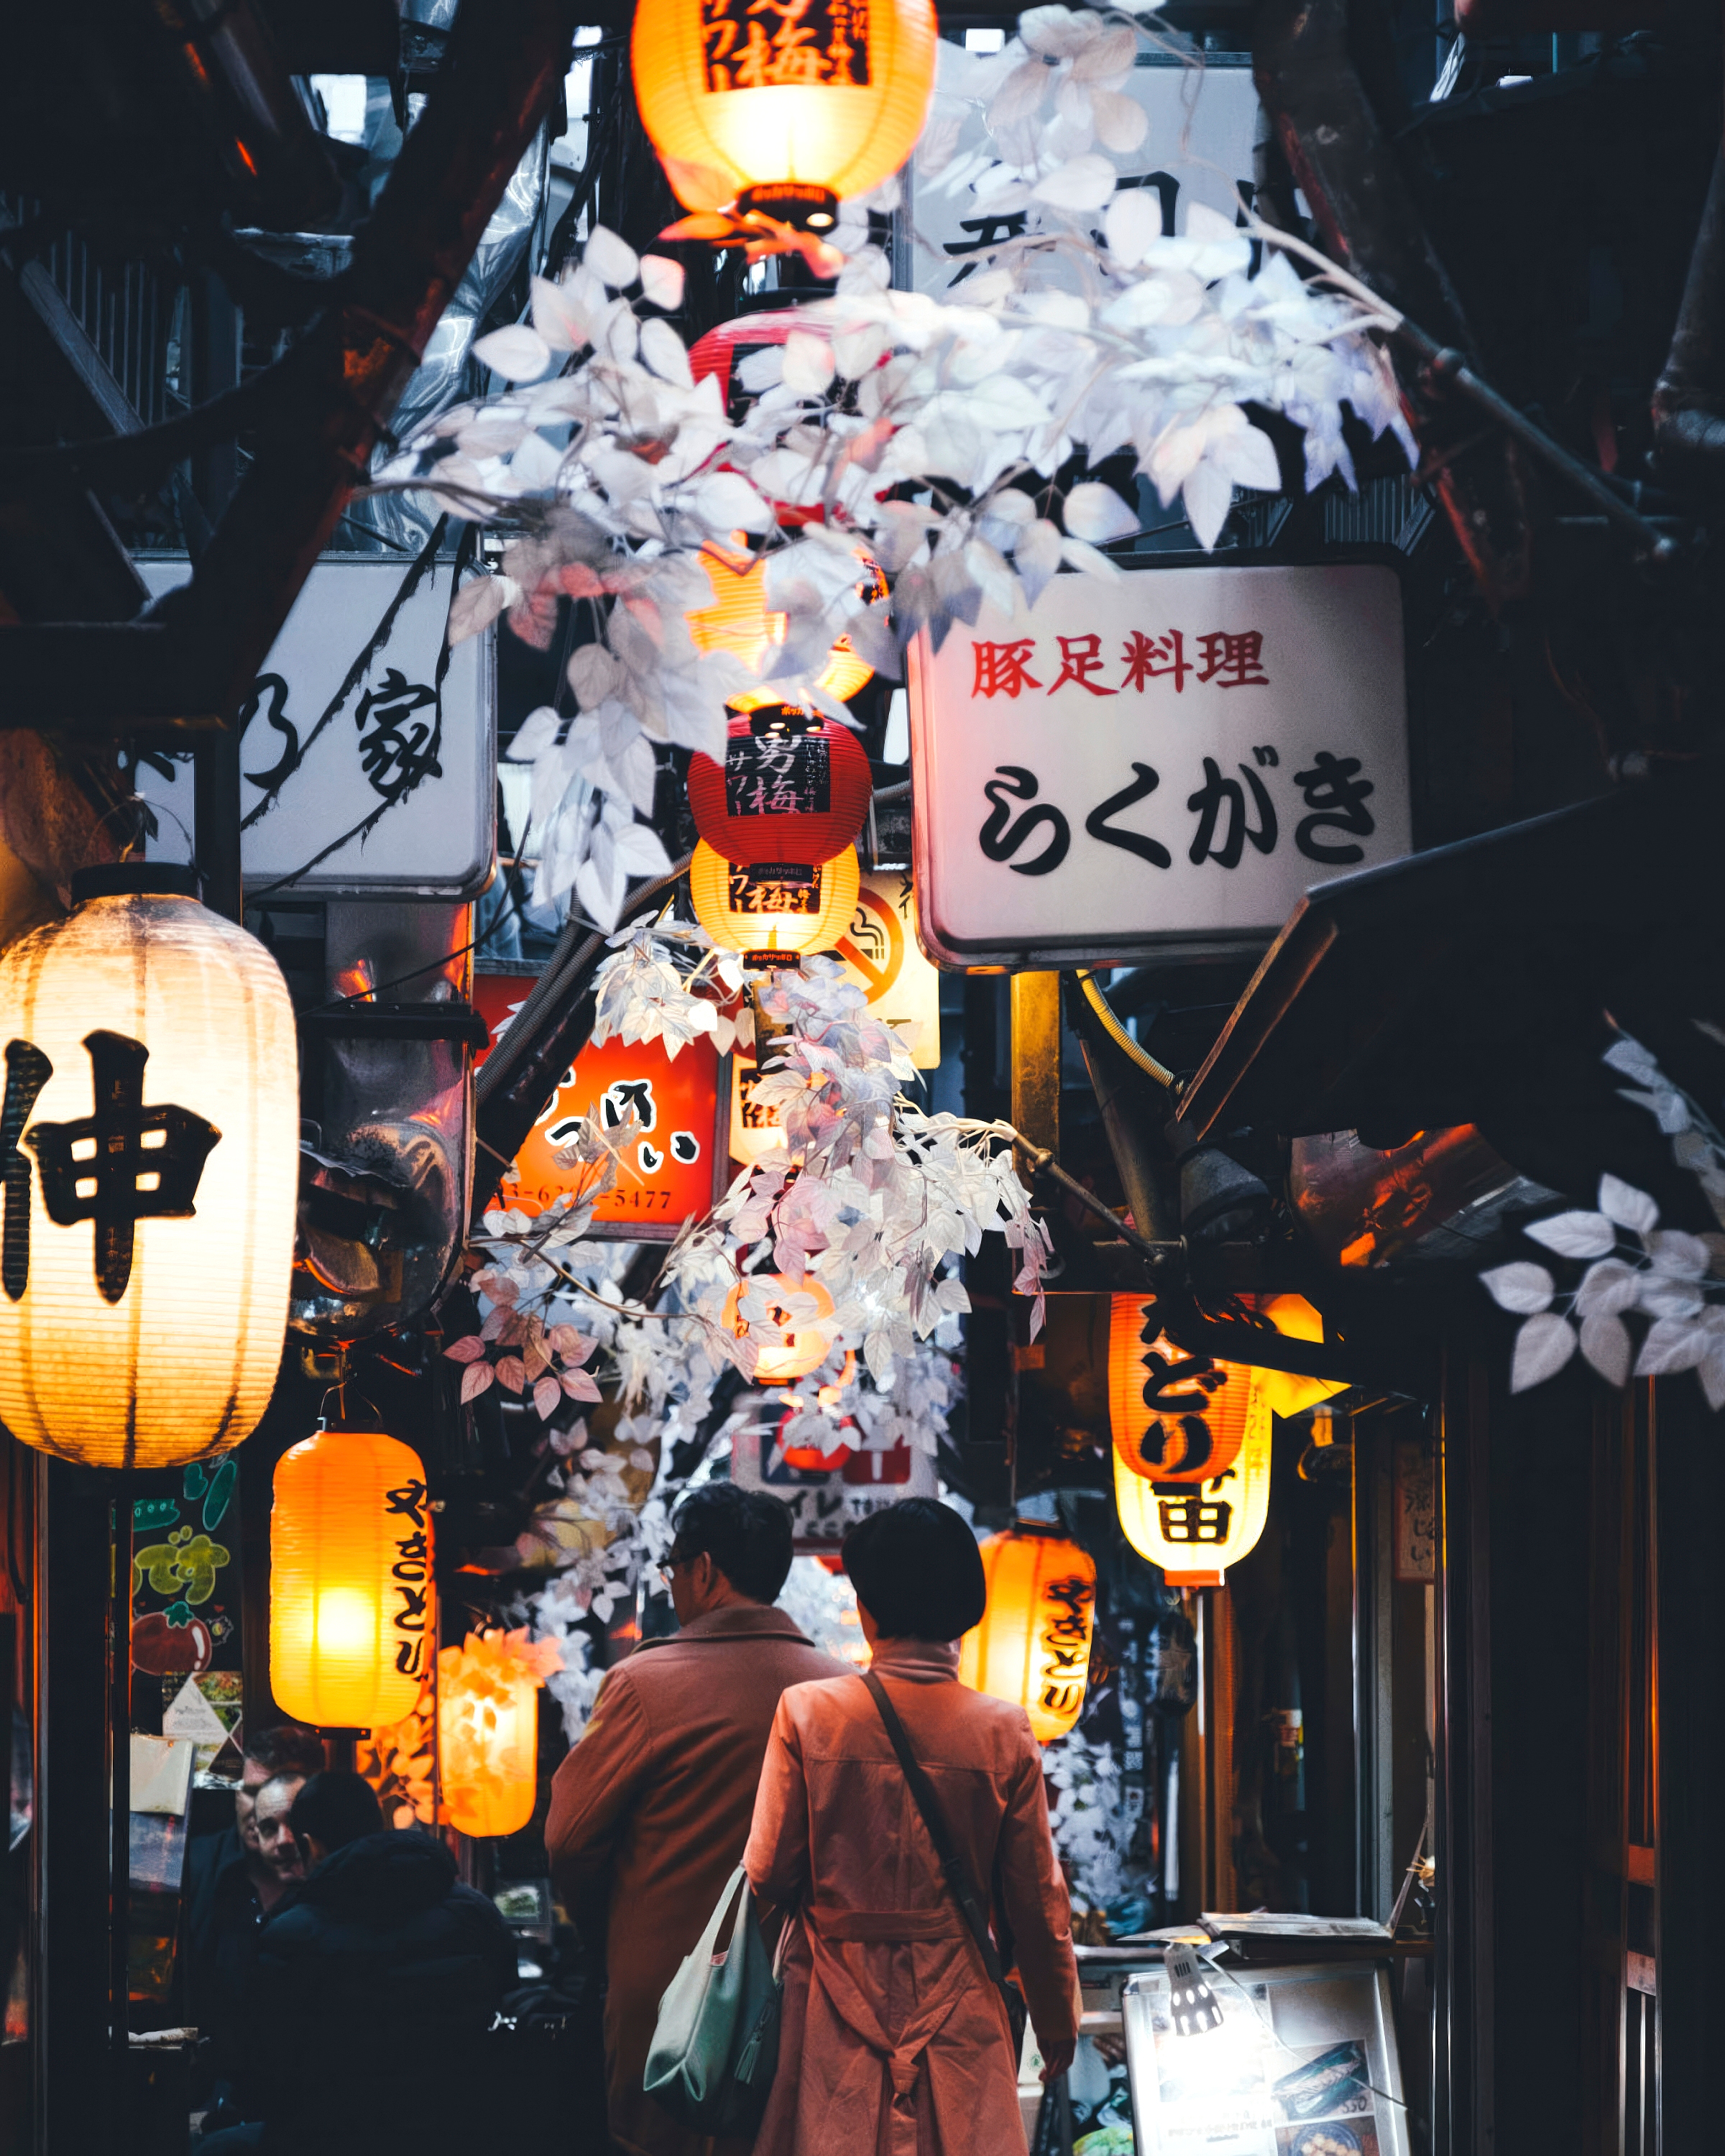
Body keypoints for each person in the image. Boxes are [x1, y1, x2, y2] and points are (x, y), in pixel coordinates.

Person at [744, 1497, 1081, 2156]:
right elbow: (1037, 1905)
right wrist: (1056, 2020)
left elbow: (766, 1875)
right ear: (967, 1609)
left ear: (867, 1610)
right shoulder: (1003, 1731)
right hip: (959, 2015)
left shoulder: (807, 1714)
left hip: (830, 2019)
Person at [546, 1483, 850, 2156]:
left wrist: (612, 1927)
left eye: (674, 1569)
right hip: (798, 2000)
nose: (673, 1584)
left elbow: (569, 1840)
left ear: (704, 1570)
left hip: (671, 2010)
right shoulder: (839, 1691)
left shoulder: (646, 1683)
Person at [202, 1771, 516, 2155]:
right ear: (378, 1826)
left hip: (332, 2138)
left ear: (311, 1845)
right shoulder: (477, 1913)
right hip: (459, 2133)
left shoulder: (290, 1937)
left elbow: (268, 2081)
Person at [183, 1724, 325, 2104]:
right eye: (249, 1792)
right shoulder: (195, 1866)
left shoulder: (330, 1876)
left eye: (276, 1791)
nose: (259, 1805)